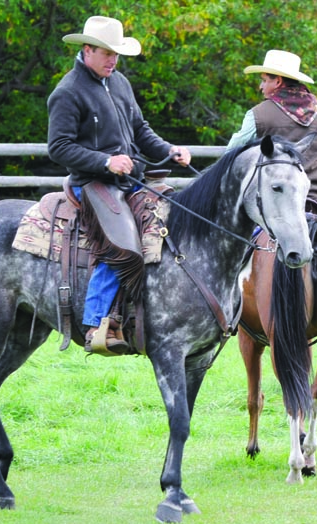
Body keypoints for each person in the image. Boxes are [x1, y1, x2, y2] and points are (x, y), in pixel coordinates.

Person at [47, 16, 191, 354]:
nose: (114, 60)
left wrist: (169, 151)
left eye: (117, 54)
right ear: (87, 50)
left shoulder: (120, 82)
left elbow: (141, 130)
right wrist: (105, 161)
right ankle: (96, 325)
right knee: (122, 246)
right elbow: (59, 147)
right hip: (93, 184)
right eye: (107, 53)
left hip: (130, 180)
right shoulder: (67, 92)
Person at [227, 49, 317, 326]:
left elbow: (232, 154)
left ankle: (227, 303)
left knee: (231, 249)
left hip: (272, 203)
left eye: (265, 79)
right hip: (315, 201)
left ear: (278, 81)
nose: (261, 85)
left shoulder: (258, 115)